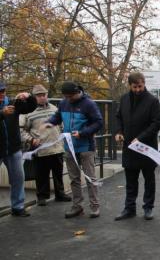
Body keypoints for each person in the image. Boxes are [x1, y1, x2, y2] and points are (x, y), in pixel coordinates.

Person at [45, 81, 103, 219]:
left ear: (78, 92)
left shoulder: (89, 104)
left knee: (90, 177)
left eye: (71, 96)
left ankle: (95, 207)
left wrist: (83, 133)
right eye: (66, 96)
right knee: (74, 179)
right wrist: (50, 122)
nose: (69, 99)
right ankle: (77, 206)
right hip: (69, 147)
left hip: (86, 147)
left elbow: (99, 122)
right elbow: (58, 116)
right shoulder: (64, 102)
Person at [114, 72, 160, 221]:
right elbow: (118, 117)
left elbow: (156, 124)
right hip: (129, 147)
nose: (137, 90)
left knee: (149, 179)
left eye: (140, 86)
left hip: (147, 147)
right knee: (130, 180)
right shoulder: (124, 99)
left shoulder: (153, 101)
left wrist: (140, 138)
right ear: (130, 85)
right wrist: (119, 132)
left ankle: (148, 208)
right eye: (134, 87)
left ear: (144, 83)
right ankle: (129, 209)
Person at [19, 84, 71, 206]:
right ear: (34, 97)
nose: (42, 97)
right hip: (40, 149)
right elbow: (21, 130)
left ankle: (60, 194)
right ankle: (42, 196)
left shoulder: (54, 109)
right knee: (41, 174)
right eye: (39, 95)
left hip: (56, 147)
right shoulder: (28, 111)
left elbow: (61, 125)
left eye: (44, 95)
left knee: (58, 173)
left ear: (47, 95)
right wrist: (30, 140)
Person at [0, 81, 37, 217]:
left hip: (13, 148)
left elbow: (31, 107)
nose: (2, 95)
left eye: (3, 91)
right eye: (0, 92)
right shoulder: (4, 108)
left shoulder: (12, 103)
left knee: (18, 178)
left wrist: (28, 96)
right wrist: (2, 114)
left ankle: (18, 206)